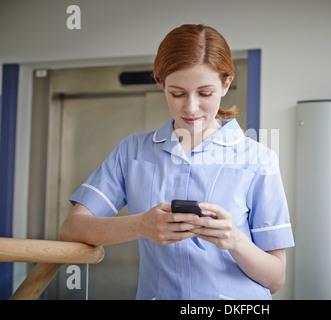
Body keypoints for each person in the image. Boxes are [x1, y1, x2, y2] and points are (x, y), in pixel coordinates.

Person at [59, 24, 294, 300]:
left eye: (205, 93)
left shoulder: (258, 159)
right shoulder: (133, 151)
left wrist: (235, 240)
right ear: (162, 84)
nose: (191, 108)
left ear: (226, 83)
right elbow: (71, 230)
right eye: (177, 94)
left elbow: (276, 278)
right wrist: (142, 226)